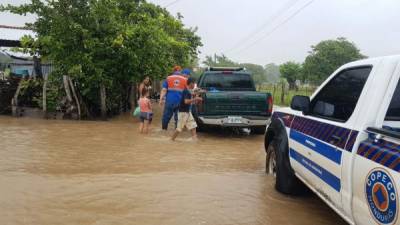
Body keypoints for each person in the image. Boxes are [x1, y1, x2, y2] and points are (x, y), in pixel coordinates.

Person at [159, 66, 187, 130]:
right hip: (180, 101)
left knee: (166, 117)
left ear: (173, 70)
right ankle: (176, 133)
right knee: (178, 118)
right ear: (180, 71)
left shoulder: (168, 78)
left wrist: (161, 99)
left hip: (169, 100)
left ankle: (164, 130)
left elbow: (164, 90)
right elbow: (187, 92)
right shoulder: (185, 79)